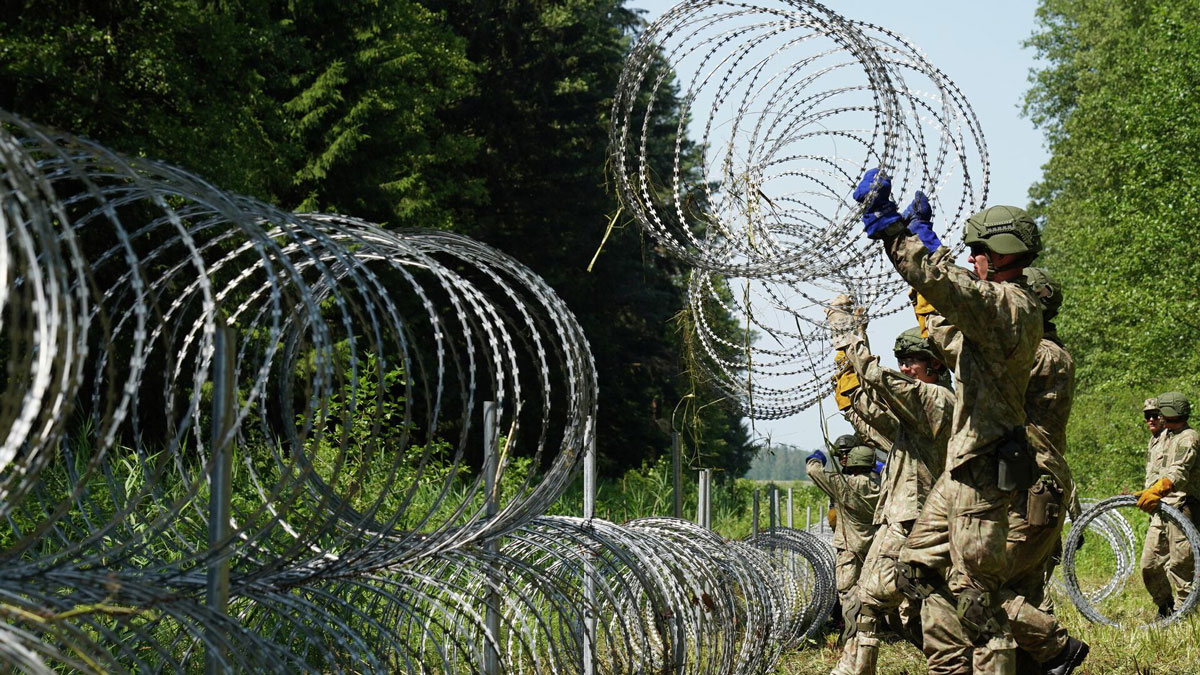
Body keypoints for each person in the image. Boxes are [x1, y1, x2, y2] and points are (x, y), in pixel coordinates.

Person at [853, 169, 1042, 674]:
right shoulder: (998, 313)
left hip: (984, 468)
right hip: (962, 469)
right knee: (917, 569)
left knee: (977, 596)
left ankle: (1034, 654)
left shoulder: (1009, 305)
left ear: (1000, 254)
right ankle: (951, 666)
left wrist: (898, 235)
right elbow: (944, 323)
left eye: (976, 249)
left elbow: (946, 285)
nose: (971, 258)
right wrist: (920, 244)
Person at [824, 313, 953, 675]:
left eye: (912, 361)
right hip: (908, 518)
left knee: (869, 599)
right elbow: (875, 411)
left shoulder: (937, 400)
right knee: (912, 609)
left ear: (936, 364)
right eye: (902, 362)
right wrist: (848, 381)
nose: (905, 368)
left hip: (913, 521)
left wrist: (849, 340)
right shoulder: (919, 410)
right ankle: (959, 661)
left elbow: (883, 382)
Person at [999, 267, 1088, 674]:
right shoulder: (1045, 350)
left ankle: (1058, 649)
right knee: (1024, 590)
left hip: (1030, 487)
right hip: (1031, 483)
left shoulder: (1041, 354)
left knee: (979, 586)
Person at [807, 435, 881, 664]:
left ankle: (850, 640)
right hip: (875, 548)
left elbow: (813, 470)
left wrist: (817, 456)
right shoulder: (884, 484)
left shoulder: (843, 484)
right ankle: (872, 632)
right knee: (873, 595)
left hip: (849, 549)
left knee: (848, 597)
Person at [1138, 391, 1200, 617]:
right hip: (1161, 511)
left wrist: (1158, 489)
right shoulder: (1164, 437)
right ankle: (1165, 608)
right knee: (1149, 564)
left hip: (1182, 509)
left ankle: (1186, 614)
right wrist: (1148, 492)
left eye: (1158, 414)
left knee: (1181, 565)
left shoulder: (1188, 437)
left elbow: (1178, 473)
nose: (1154, 419)